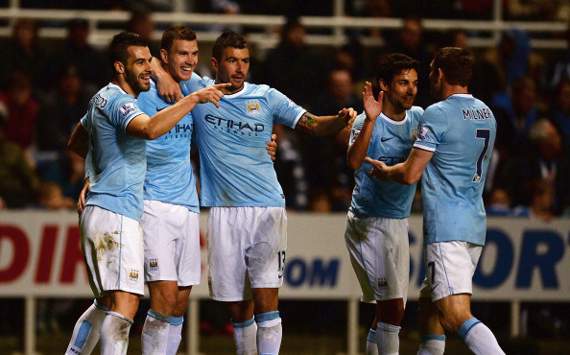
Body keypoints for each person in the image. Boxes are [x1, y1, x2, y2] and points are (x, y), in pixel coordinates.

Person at [177, 31, 355, 355]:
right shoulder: (198, 93)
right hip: (224, 210)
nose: (240, 67)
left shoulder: (267, 97)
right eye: (232, 60)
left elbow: (312, 124)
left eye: (244, 61)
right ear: (216, 63)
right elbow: (167, 68)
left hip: (267, 207)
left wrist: (340, 121)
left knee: (266, 298)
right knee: (237, 308)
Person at [64, 31, 226, 355]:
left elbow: (78, 140)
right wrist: (191, 100)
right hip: (117, 212)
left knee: (106, 302)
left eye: (147, 61)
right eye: (140, 62)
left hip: (108, 207)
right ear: (120, 68)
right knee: (125, 307)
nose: (148, 69)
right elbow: (149, 129)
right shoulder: (121, 101)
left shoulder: (101, 98)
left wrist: (96, 171)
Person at [136, 25, 277, 355]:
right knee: (163, 299)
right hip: (151, 202)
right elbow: (105, 130)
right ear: (165, 56)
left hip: (187, 204)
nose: (189, 60)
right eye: (181, 53)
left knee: (180, 303)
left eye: (194, 53)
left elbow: (227, 126)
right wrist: (92, 176)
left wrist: (264, 146)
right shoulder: (141, 91)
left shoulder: (197, 89)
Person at [366, 47, 505, 355]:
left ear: (440, 73)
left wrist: (387, 171)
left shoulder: (438, 113)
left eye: (430, 71)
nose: (428, 78)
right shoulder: (487, 113)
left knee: (455, 314)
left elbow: (412, 173)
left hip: (447, 228)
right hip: (474, 224)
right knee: (431, 310)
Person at [345, 53, 423, 355]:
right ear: (384, 85)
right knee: (393, 310)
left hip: (397, 222)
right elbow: (353, 161)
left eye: (414, 83)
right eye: (403, 82)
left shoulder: (419, 118)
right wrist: (371, 120)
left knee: (386, 310)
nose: (410, 89)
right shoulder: (368, 121)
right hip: (370, 223)